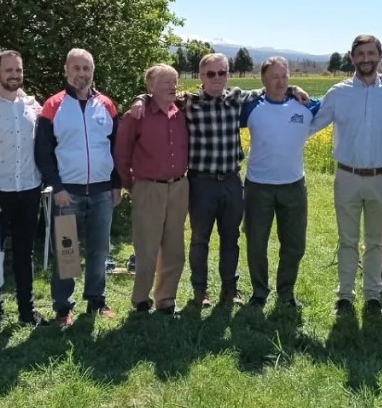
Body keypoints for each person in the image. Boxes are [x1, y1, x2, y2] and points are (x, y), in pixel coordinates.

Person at [129, 54, 308, 308]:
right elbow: (157, 96)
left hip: (231, 182)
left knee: (230, 238)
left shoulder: (235, 98)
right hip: (201, 183)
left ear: (228, 74)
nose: (217, 78)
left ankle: (230, 289)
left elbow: (270, 87)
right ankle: (200, 291)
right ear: (201, 77)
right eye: (211, 74)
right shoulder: (187, 102)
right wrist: (141, 98)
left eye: (221, 73)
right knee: (199, 239)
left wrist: (292, 88)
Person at [310, 35, 382, 318]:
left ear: (380, 56)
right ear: (352, 57)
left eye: (371, 53)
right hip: (347, 177)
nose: (366, 59)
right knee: (347, 240)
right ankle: (344, 299)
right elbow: (312, 124)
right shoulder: (338, 93)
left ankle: (373, 299)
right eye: (360, 54)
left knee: (376, 241)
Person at [35, 48, 122, 327]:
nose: (81, 74)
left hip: (102, 192)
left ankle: (96, 300)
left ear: (93, 71)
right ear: (66, 71)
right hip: (66, 193)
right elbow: (43, 152)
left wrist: (116, 184)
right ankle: (63, 308)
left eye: (86, 68)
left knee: (100, 250)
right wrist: (56, 186)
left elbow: (117, 148)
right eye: (76, 68)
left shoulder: (107, 105)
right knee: (67, 253)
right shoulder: (53, 105)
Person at [0, 50, 50, 332]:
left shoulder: (33, 107)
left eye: (18, 70)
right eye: (9, 70)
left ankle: (26, 311)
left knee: (24, 253)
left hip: (29, 191)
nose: (14, 75)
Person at [240, 57, 321, 309]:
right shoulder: (251, 107)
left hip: (294, 185)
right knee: (256, 243)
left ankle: (286, 293)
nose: (280, 81)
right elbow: (217, 101)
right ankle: (259, 293)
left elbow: (336, 103)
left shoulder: (305, 105)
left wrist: (294, 90)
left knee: (295, 244)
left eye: (284, 76)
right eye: (274, 76)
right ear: (262, 79)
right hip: (258, 186)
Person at [114, 64, 189, 316]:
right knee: (146, 248)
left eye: (175, 81)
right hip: (148, 187)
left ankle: (166, 299)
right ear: (150, 86)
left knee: (174, 247)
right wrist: (131, 185)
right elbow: (121, 154)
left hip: (179, 187)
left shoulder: (183, 112)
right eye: (166, 82)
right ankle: (140, 300)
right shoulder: (137, 115)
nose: (172, 86)